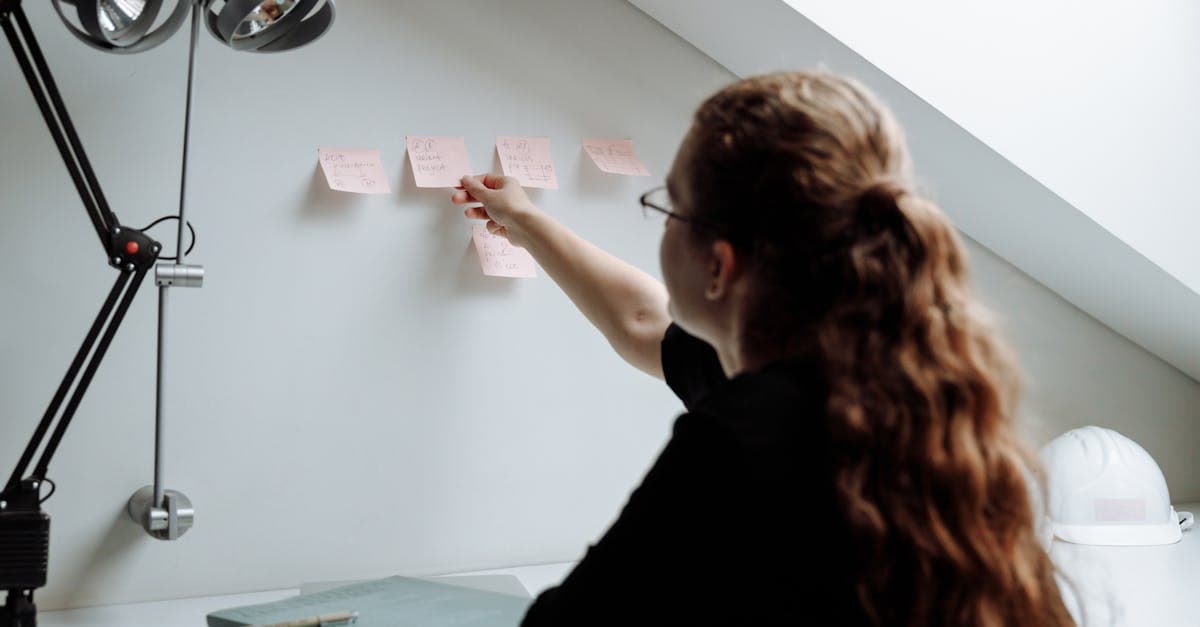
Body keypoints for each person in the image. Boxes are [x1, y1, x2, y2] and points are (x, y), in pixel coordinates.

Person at [451, 71, 1075, 626]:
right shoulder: (907, 388)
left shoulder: (744, 437)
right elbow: (644, 323)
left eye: (671, 207)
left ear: (719, 267)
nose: (664, 222)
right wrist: (526, 222)